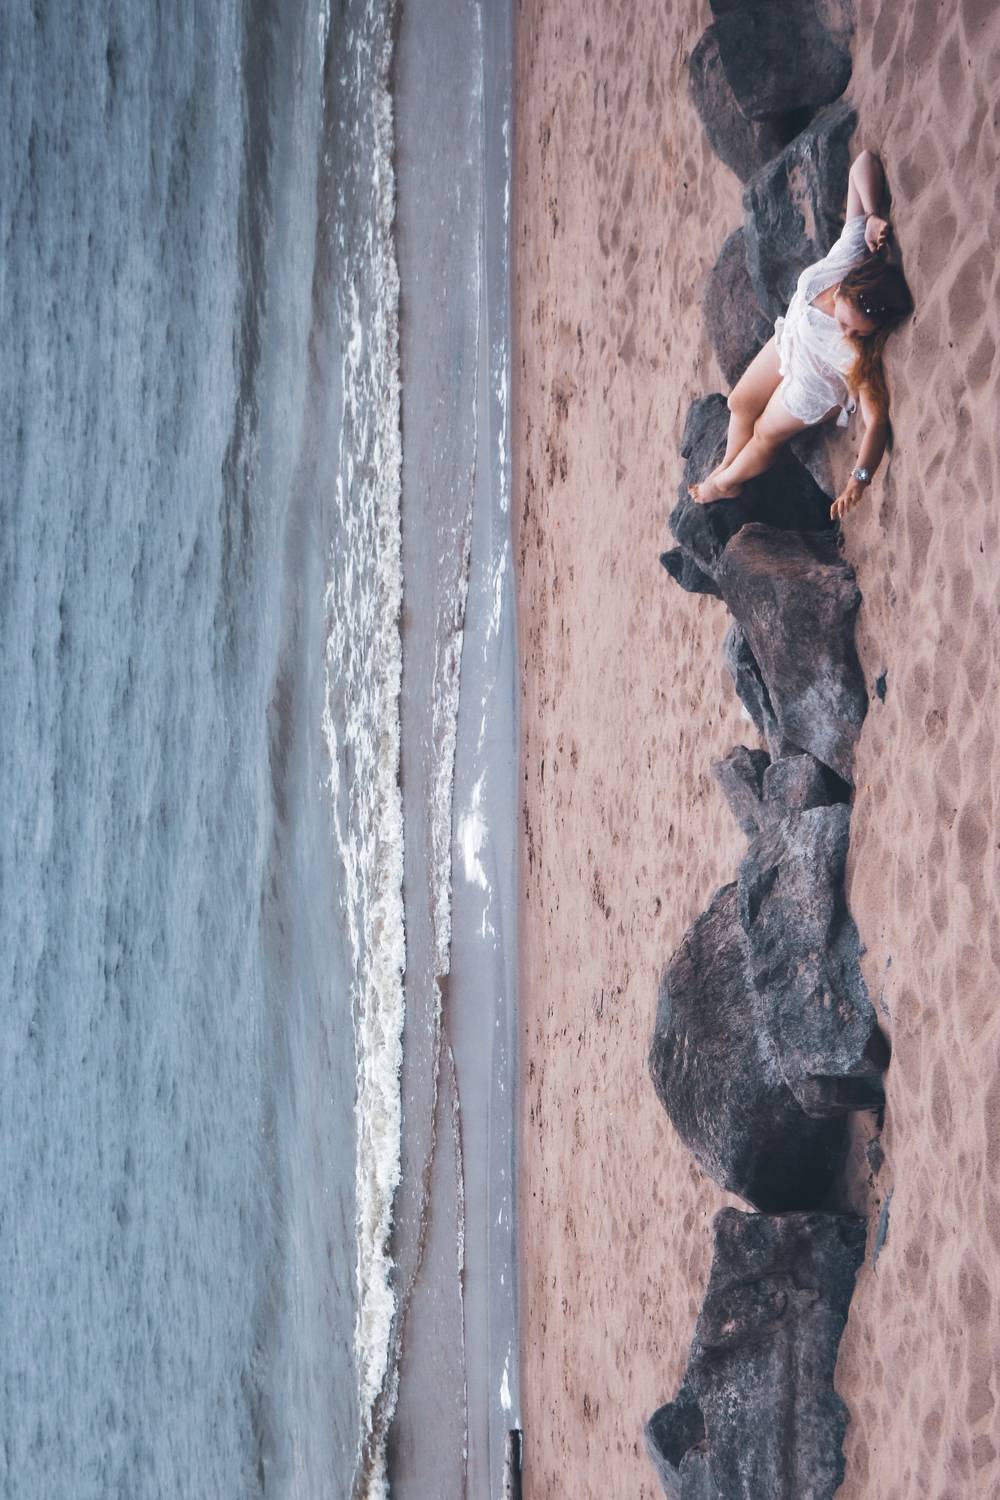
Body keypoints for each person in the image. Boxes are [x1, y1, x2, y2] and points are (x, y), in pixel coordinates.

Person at [689, 150, 914, 520]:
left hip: (810, 388)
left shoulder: (855, 352)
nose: (848, 333)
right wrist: (874, 215)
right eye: (846, 322)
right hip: (791, 339)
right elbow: (862, 163)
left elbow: (876, 422)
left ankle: (725, 482)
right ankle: (728, 466)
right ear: (845, 286)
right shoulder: (849, 258)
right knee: (739, 404)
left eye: (857, 332)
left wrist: (858, 481)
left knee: (763, 434)